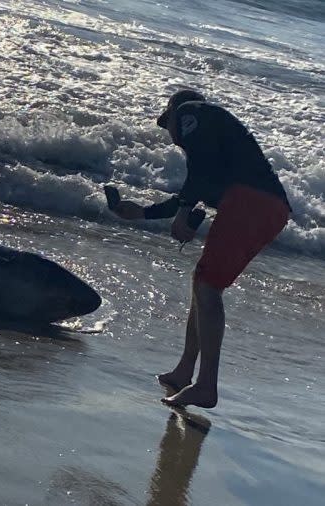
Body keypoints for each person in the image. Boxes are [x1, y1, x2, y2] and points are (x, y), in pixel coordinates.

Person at [112, 89, 291, 408]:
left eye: (168, 126)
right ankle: (184, 373)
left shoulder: (191, 112)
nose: (173, 138)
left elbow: (199, 169)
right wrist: (141, 212)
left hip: (252, 202)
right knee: (204, 282)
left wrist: (183, 213)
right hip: (266, 208)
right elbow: (195, 187)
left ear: (176, 114)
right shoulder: (221, 147)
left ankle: (206, 386)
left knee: (209, 287)